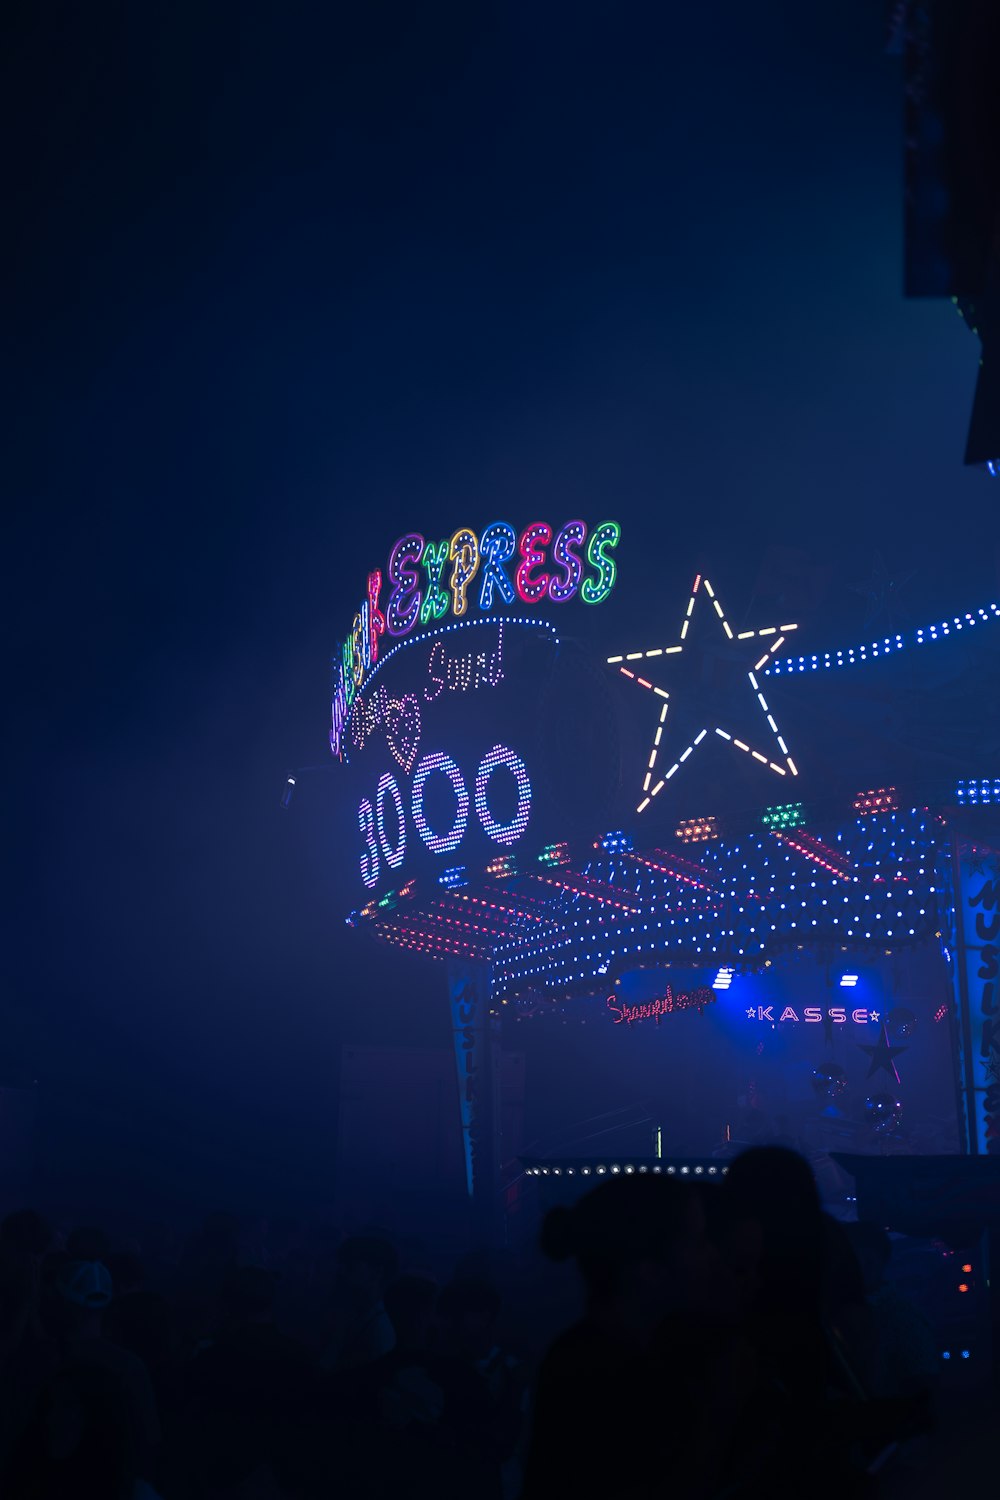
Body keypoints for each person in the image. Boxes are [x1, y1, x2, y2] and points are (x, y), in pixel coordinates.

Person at [521, 1174, 709, 1500]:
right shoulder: (605, 1369)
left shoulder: (584, 1353)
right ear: (646, 1270)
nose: (712, 1256)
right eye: (697, 1242)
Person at [322, 1234, 399, 1371]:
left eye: (350, 1266)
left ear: (376, 1273)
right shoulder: (357, 1317)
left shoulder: (379, 1332)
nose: (341, 1272)